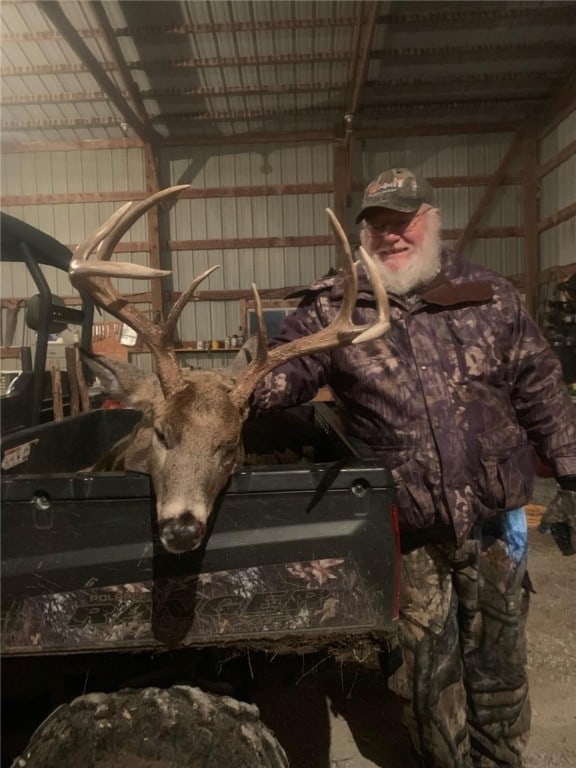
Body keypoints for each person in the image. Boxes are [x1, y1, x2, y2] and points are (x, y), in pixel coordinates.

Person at [251, 167, 576, 768]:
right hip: (409, 533)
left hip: (494, 524)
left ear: (431, 220)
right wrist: (242, 391)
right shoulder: (333, 305)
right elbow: (284, 373)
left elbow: (540, 384)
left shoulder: (488, 293)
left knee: (500, 668)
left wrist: (571, 470)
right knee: (427, 680)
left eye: (402, 221)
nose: (390, 235)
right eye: (376, 224)